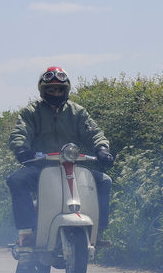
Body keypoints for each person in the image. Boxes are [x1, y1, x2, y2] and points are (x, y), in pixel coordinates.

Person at [7, 66, 114, 246]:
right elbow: (20, 132)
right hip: (41, 167)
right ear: (43, 90)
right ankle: (27, 232)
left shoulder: (77, 112)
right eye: (50, 89)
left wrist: (102, 148)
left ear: (66, 90)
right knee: (16, 180)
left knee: (104, 181)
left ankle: (98, 231)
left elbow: (94, 132)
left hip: (72, 166)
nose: (55, 93)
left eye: (59, 89)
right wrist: (21, 149)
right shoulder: (31, 112)